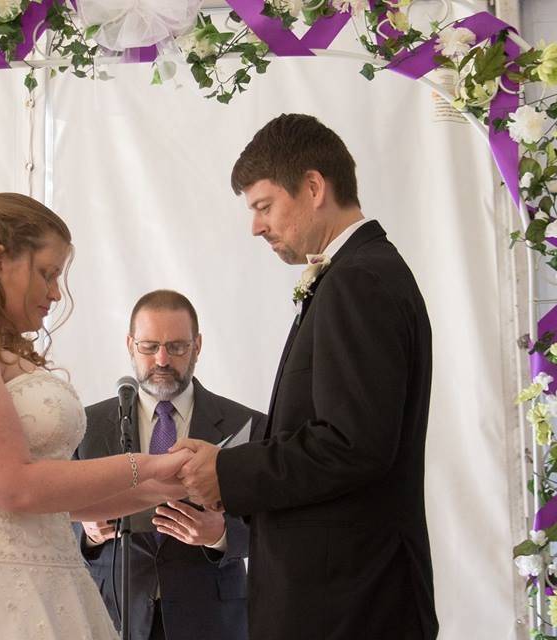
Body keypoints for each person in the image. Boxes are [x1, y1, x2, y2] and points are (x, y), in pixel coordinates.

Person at [0, 193, 191, 639]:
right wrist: (148, 464)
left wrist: (162, 487)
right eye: (47, 273)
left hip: (51, 583)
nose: (56, 293)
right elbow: (13, 486)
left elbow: (59, 501)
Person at [173, 114, 439, 639]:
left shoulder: (358, 280)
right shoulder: (357, 272)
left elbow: (351, 445)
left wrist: (228, 471)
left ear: (314, 186)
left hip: (350, 603)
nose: (255, 226)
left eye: (264, 206)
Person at [75, 290, 262, 640]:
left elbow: (274, 527)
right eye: (149, 347)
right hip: (113, 615)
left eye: (176, 347)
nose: (162, 359)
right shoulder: (85, 427)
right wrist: (87, 533)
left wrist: (220, 534)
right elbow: (48, 519)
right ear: (130, 345)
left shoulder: (246, 424)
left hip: (212, 618)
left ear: (198, 346)